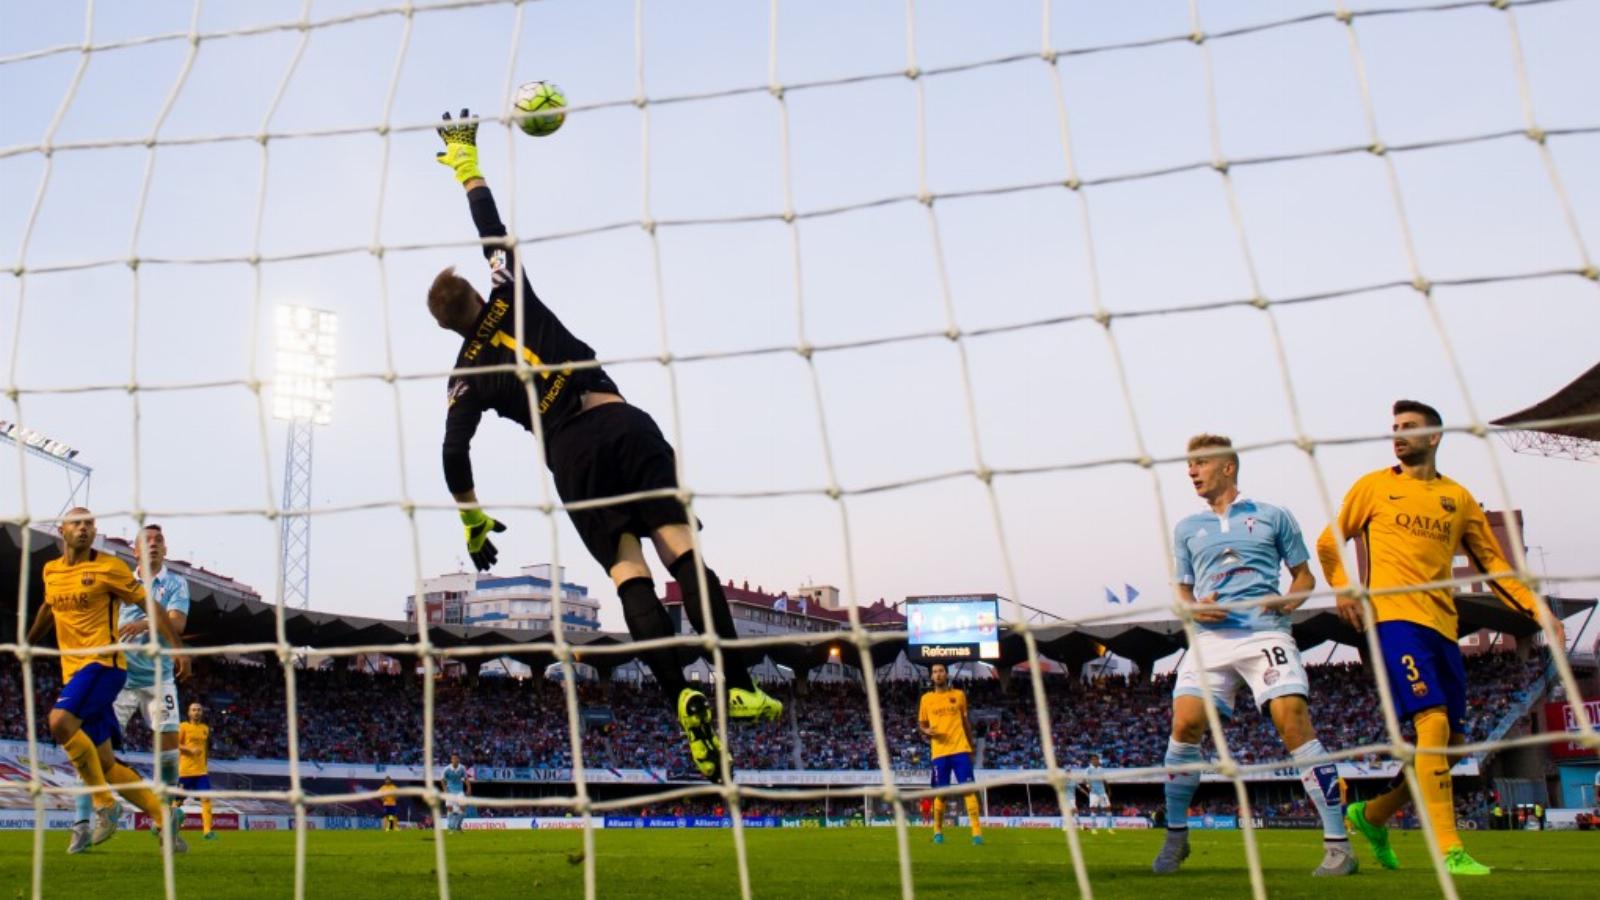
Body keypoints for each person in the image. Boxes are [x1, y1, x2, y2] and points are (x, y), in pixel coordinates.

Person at [429, 108, 781, 782]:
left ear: (447, 329)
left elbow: (453, 454)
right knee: (680, 552)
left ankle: (680, 690)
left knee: (629, 575)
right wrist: (466, 162)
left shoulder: (462, 380)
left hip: (572, 458)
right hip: (618, 421)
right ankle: (736, 679)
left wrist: (473, 520)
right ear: (476, 291)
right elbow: (491, 230)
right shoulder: (511, 292)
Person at [1317, 400, 1564, 876]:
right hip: (1394, 622)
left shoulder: (1459, 499)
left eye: (1409, 428)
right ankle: (1450, 849)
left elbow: (1497, 568)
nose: (1398, 435)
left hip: (1443, 629)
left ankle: (1372, 815)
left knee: (1449, 747)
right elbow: (1330, 541)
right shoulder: (1374, 487)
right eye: (1394, 428)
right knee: (1431, 725)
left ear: (1434, 437)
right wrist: (1344, 589)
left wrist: (1539, 611)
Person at [1154, 436, 1355, 877]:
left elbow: (1304, 576)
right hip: (1210, 638)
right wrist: (1194, 608)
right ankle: (1176, 837)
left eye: (1200, 463)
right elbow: (1181, 593)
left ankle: (1339, 845)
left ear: (1228, 468)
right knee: (1184, 723)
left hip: (1264, 632)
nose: (1192, 471)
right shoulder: (1188, 527)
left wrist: (1289, 601)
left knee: (1292, 720)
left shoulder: (1273, 516)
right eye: (1189, 465)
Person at [26, 508, 189, 854]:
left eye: (89, 524)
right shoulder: (51, 571)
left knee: (60, 722)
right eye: (77, 523)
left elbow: (153, 607)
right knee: (106, 764)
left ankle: (103, 805)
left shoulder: (110, 568)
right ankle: (162, 817)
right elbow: (48, 606)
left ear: (94, 530)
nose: (83, 528)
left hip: (106, 665)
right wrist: (28, 641)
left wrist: (178, 650)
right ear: (63, 531)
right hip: (75, 671)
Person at [71, 524, 192, 851]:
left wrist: (144, 622)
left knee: (169, 749)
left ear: (165, 550)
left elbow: (177, 623)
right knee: (94, 749)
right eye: (146, 541)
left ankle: (166, 822)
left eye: (159, 541)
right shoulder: (119, 580)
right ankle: (87, 821)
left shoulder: (175, 583)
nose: (153, 545)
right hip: (119, 679)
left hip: (159, 679)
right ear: (135, 551)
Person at [917, 663, 983, 846]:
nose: (937, 674)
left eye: (940, 671)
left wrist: (971, 745)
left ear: (947, 674)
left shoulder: (958, 696)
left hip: (960, 749)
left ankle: (976, 833)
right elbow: (921, 724)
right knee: (942, 794)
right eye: (934, 672)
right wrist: (925, 731)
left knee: (968, 790)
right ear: (931, 677)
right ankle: (937, 831)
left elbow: (965, 721)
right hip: (939, 752)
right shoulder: (926, 699)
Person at [177, 702, 216, 840]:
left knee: (206, 800)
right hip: (185, 772)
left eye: (199, 710)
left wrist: (206, 767)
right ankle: (163, 826)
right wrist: (190, 750)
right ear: (189, 713)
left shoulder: (205, 728)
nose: (197, 712)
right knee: (177, 802)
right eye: (194, 710)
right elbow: (175, 744)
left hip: (201, 773)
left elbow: (205, 750)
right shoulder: (183, 727)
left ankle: (207, 832)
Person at [440, 752, 471, 832]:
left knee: (463, 808)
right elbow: (442, 780)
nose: (455, 760)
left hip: (459, 791)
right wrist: (445, 790)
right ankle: (450, 826)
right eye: (453, 758)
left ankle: (458, 826)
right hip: (450, 791)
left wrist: (469, 788)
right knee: (450, 809)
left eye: (456, 758)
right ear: (451, 760)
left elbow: (466, 778)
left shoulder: (462, 768)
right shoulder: (446, 769)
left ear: (458, 759)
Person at [1084, 754, 1112, 834]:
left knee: (1108, 808)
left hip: (1102, 792)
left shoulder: (1102, 769)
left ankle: (1109, 828)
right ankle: (1093, 828)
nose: (1095, 761)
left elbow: (1104, 780)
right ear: (1091, 761)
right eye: (1093, 759)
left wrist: (1108, 789)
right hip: (1093, 793)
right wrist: (1088, 786)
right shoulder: (1088, 770)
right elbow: (1085, 780)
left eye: (1096, 759)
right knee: (1094, 809)